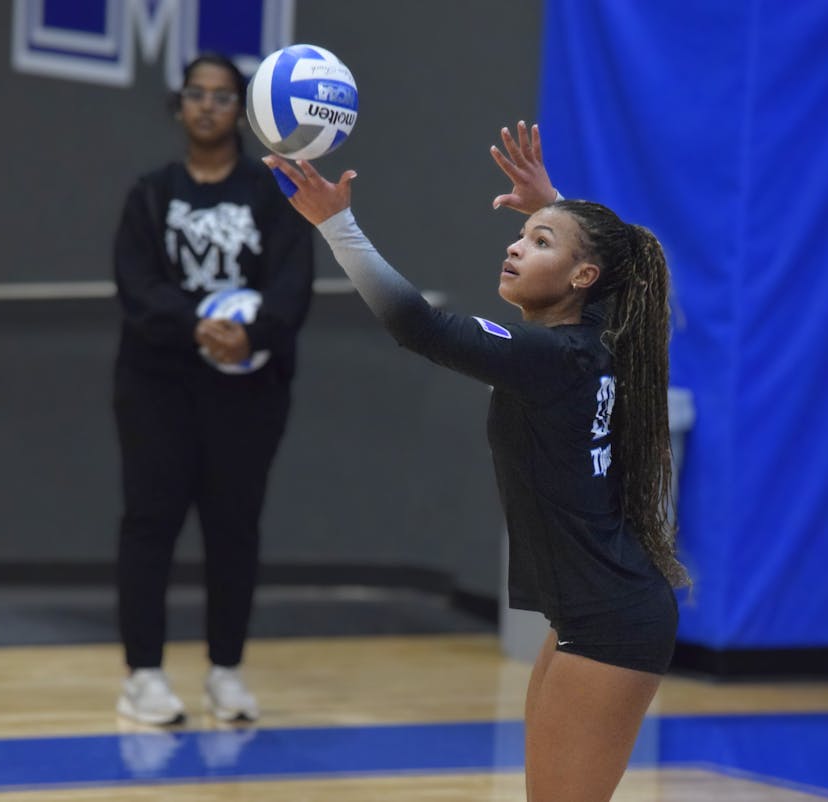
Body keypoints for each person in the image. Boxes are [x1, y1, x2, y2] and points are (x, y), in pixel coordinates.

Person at [262, 121, 687, 801]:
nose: (516, 246)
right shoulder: (595, 334)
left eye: (539, 243)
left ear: (582, 277)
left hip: (610, 620)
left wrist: (337, 225)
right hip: (593, 615)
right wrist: (557, 207)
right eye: (522, 235)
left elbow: (418, 326)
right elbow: (614, 268)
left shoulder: (551, 356)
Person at [112, 53, 313, 726]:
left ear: (243, 111)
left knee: (234, 529)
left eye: (223, 96)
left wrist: (250, 335)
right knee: (150, 523)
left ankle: (226, 671)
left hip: (247, 393)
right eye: (196, 94)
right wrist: (201, 324)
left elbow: (291, 285)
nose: (207, 106)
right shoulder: (151, 193)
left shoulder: (271, 195)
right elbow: (136, 286)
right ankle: (143, 675)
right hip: (158, 386)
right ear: (179, 105)